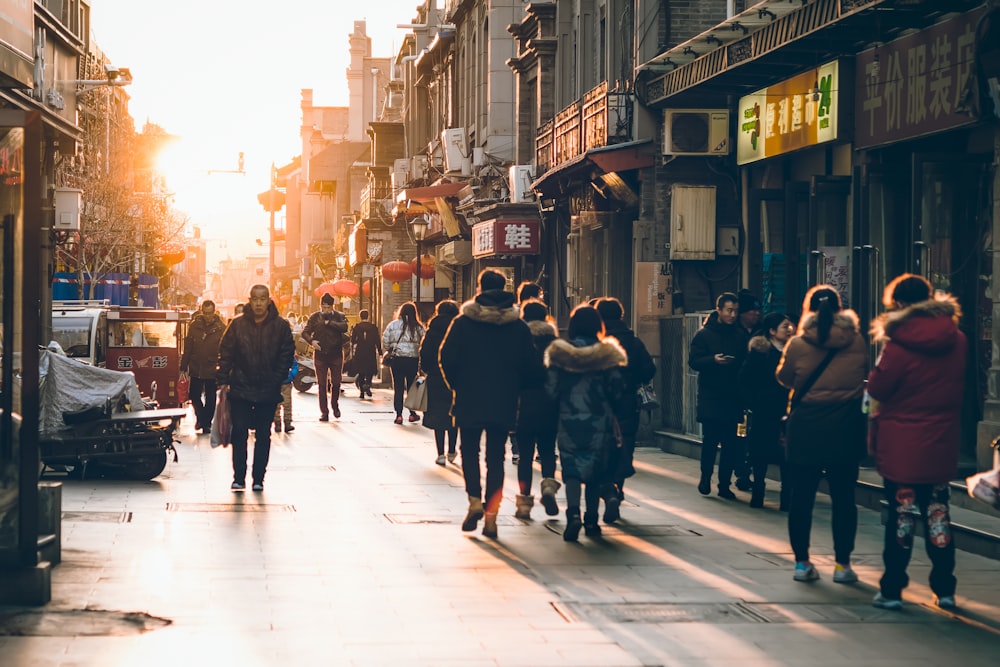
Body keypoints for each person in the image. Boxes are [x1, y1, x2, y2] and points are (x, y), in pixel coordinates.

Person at [867, 274, 966, 611]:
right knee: (939, 516)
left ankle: (893, 589)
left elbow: (878, 389)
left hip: (902, 448)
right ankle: (946, 589)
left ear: (899, 305)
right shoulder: (960, 340)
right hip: (941, 443)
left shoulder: (897, 345)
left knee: (902, 518)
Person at [440, 269, 542, 538]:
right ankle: (492, 516)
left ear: (479, 288)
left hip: (469, 397)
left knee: (469, 451)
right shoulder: (518, 327)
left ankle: (474, 500)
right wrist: (517, 389)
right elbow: (531, 367)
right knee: (496, 456)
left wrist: (458, 386)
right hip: (504, 399)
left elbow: (446, 358)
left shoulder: (463, 322)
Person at [776, 284, 867, 584]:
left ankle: (802, 563)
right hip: (845, 427)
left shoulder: (798, 344)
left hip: (807, 428)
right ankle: (843, 565)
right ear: (840, 309)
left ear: (809, 310)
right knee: (843, 498)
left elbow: (784, 378)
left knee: (802, 497)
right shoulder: (856, 341)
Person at [545, 304, 628, 541]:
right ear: (597, 326)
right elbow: (617, 389)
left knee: (571, 469)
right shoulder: (607, 355)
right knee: (594, 470)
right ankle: (592, 520)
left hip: (568, 419)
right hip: (598, 421)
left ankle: (573, 515)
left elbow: (551, 389)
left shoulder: (561, 355)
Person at [216, 285, 295, 492]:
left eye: (263, 299)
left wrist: (276, 379)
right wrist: (223, 379)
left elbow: (286, 355)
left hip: (268, 389)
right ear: (249, 300)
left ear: (269, 300)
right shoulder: (237, 325)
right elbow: (226, 353)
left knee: (263, 434)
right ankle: (239, 477)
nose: (259, 303)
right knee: (239, 433)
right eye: (255, 299)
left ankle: (258, 478)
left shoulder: (280, 326)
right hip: (240, 388)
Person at [595, 297, 656, 519]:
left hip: (599, 403)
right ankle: (617, 488)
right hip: (626, 402)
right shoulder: (634, 342)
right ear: (621, 316)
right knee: (624, 443)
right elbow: (648, 369)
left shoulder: (596, 342)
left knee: (600, 446)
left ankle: (607, 489)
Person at [688, 292, 746, 499]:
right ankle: (705, 477)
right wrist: (712, 360)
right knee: (710, 440)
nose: (732, 315)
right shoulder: (704, 335)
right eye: (729, 310)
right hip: (711, 395)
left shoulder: (740, 335)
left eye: (736, 311)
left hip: (733, 395)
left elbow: (744, 362)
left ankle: (724, 484)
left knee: (731, 443)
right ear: (719, 309)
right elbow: (694, 361)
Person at [737, 311, 794, 509]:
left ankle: (787, 496)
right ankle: (758, 491)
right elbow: (745, 379)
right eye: (784, 326)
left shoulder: (793, 351)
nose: (789, 329)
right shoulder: (760, 352)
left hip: (787, 411)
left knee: (787, 455)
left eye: (790, 326)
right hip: (764, 410)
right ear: (771, 331)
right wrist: (754, 401)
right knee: (760, 454)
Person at [514, 299, 560, 519]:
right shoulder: (554, 341)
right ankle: (549, 486)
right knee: (548, 450)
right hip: (549, 403)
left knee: (524, 455)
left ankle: (524, 502)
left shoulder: (519, 339)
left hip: (523, 403)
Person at [419, 300, 459, 465]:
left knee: (437, 415)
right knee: (454, 414)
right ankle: (452, 451)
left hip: (436, 376)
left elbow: (425, 354)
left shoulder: (432, 330)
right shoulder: (459, 329)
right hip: (457, 377)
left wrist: (428, 370)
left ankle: (440, 454)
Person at [179, 300, 226, 435]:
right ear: (201, 311)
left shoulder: (221, 328)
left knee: (211, 397)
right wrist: (184, 365)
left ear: (214, 311)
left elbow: (225, 349)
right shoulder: (194, 326)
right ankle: (201, 418)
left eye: (210, 313)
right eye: (205, 313)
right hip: (196, 366)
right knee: (194, 395)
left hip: (212, 367)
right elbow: (188, 347)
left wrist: (224, 367)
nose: (208, 316)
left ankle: (206, 423)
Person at [301, 293, 349, 421]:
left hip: (336, 354)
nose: (326, 310)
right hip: (320, 355)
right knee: (321, 385)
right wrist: (311, 342)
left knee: (336, 383)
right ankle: (324, 412)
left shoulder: (339, 316)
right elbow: (305, 332)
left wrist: (330, 323)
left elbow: (344, 327)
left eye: (328, 307)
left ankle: (335, 405)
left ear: (333, 307)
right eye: (324, 307)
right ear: (320, 305)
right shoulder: (315, 317)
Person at [734, 289, 763, 491]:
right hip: (736, 395)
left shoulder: (761, 333)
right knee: (739, 436)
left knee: (752, 437)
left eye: (758, 311)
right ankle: (741, 472)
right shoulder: (733, 333)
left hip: (756, 395)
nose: (756, 314)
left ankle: (747, 470)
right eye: (752, 311)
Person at [382, 301, 425, 424]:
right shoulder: (418, 327)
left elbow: (385, 340)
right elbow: (425, 341)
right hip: (412, 360)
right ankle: (412, 413)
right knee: (412, 387)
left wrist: (390, 347)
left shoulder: (393, 325)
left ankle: (399, 415)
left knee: (398, 387)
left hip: (397, 360)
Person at [350, 309, 382, 399]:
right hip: (370, 351)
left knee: (361, 372)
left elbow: (352, 340)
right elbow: (377, 340)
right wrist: (380, 352)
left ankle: (361, 392)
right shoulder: (373, 327)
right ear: (368, 316)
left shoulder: (357, 327)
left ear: (360, 317)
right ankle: (367, 385)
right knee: (370, 370)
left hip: (360, 351)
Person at [273, 356, 297, 433]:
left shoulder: (287, 352)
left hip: (286, 383)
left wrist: (291, 375)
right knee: (276, 404)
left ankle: (287, 423)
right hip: (275, 383)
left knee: (287, 403)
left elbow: (294, 365)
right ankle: (277, 423)